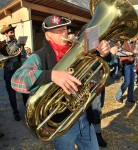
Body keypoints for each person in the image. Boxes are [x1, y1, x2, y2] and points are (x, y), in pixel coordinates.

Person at [11, 15, 111, 150]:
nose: (63, 33)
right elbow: (17, 80)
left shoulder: (80, 48)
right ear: (48, 36)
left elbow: (99, 65)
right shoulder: (39, 56)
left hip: (84, 116)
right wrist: (51, 75)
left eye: (64, 29)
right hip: (61, 123)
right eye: (57, 31)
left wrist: (103, 53)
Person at [0, 24, 29, 121]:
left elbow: (24, 55)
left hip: (19, 69)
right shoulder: (2, 44)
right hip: (8, 71)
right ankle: (15, 112)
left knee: (24, 91)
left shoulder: (18, 43)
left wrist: (22, 47)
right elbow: (9, 53)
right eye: (11, 32)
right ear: (6, 34)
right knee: (11, 94)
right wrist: (17, 45)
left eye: (13, 32)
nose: (13, 34)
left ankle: (27, 110)